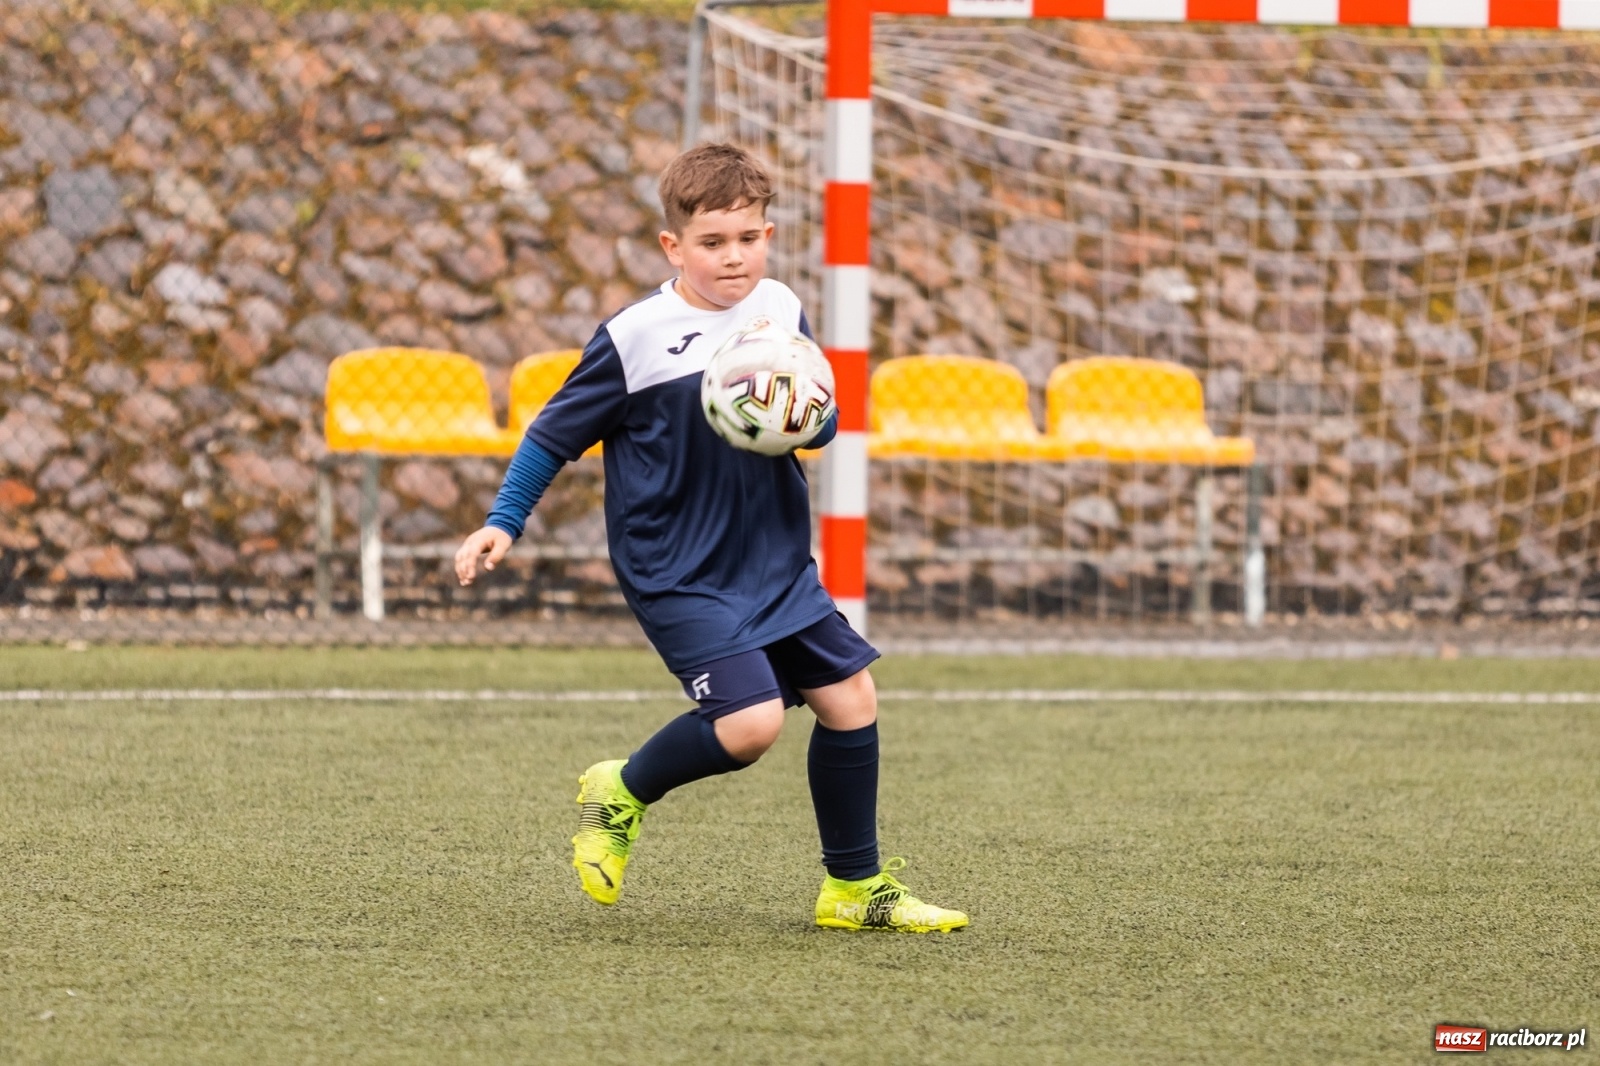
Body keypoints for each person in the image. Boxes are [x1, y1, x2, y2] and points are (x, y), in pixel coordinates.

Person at [454, 143, 967, 933]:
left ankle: (853, 889)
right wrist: (503, 520)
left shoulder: (781, 308)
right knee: (751, 723)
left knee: (851, 700)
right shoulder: (636, 336)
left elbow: (817, 418)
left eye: (749, 237)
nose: (735, 257)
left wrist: (811, 417)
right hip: (678, 566)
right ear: (674, 246)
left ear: (768, 233)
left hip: (771, 558)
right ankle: (622, 789)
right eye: (713, 242)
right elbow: (552, 434)